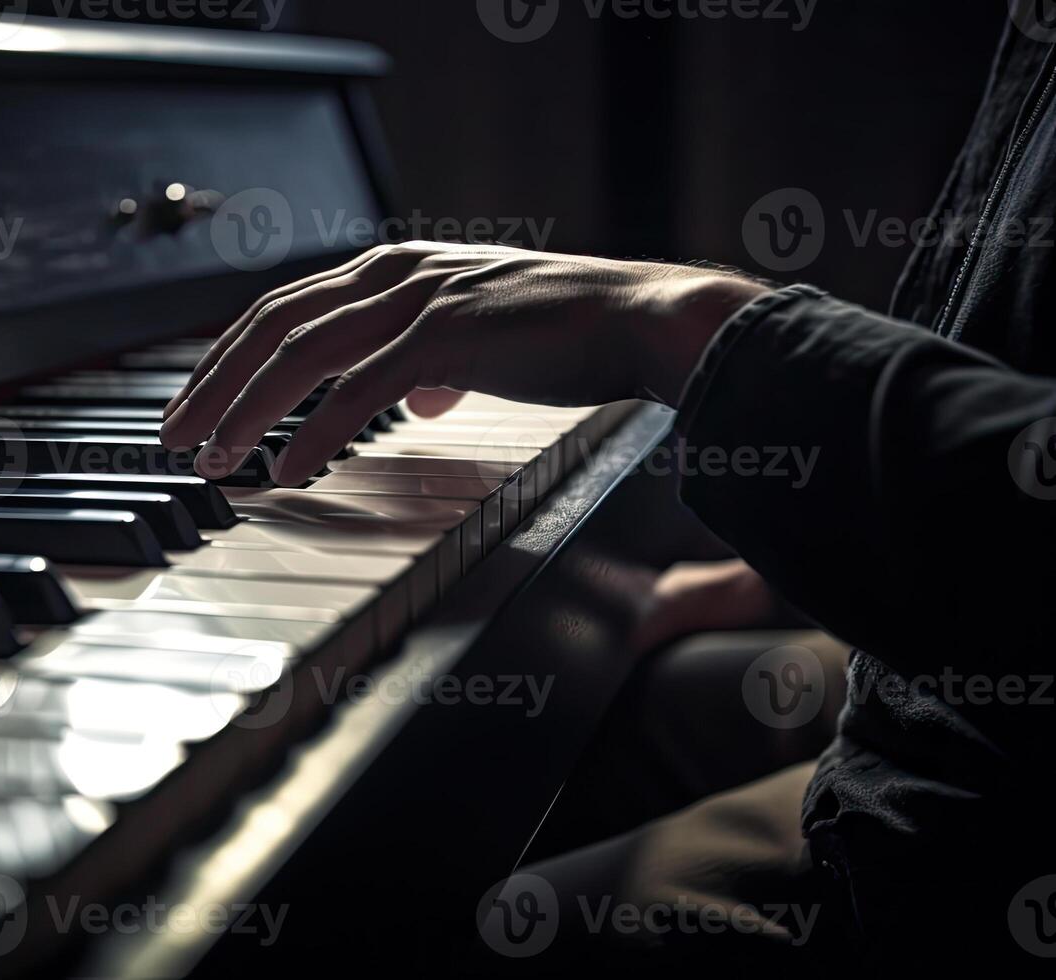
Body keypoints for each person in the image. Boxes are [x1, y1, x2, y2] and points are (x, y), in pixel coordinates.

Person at [158, 12, 1056, 968]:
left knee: (367, 930)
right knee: (572, 710)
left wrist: (683, 324)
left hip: (979, 840)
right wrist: (772, 591)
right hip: (941, 689)